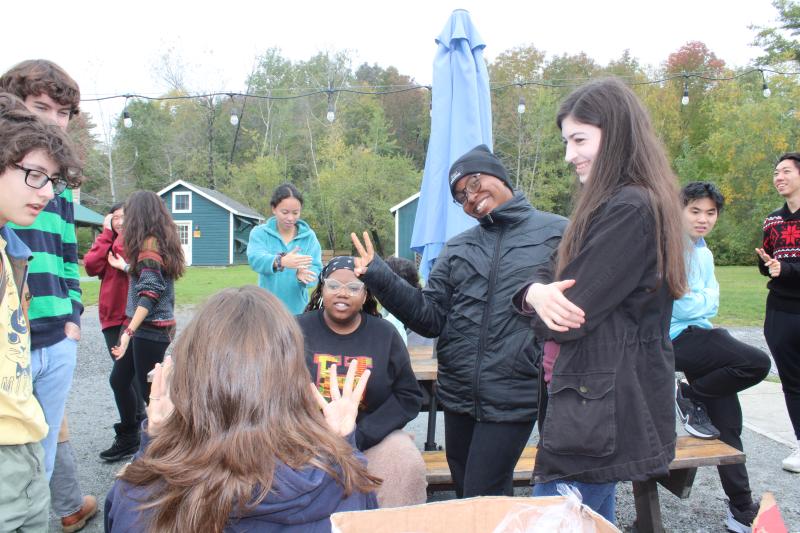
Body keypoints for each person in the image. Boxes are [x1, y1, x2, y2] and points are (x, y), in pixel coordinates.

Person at [513, 77, 687, 523]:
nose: (570, 154)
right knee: (580, 514)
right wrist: (534, 291)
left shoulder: (630, 207)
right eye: (567, 141)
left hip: (593, 403)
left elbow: (568, 315)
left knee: (565, 516)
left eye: (579, 139)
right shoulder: (609, 203)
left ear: (616, 134)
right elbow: (545, 272)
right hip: (585, 396)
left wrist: (537, 301)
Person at [350, 144, 567, 498]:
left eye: (475, 182)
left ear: (498, 174)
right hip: (458, 395)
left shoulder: (557, 234)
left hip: (514, 393)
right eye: (461, 195)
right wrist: (379, 275)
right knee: (468, 488)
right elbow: (430, 317)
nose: (471, 197)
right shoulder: (458, 247)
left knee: (484, 488)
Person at [104, 286, 379, 532]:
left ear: (189, 378)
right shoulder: (345, 490)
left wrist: (153, 444)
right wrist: (343, 448)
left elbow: (134, 506)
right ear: (293, 379)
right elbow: (350, 500)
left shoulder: (134, 495)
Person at [0, 59, 97, 531]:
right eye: (41, 107)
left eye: (63, 113)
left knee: (40, 440)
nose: (52, 120)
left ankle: (48, 509)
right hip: (18, 332)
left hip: (55, 332)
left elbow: (66, 255)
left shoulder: (56, 189)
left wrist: (74, 313)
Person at [671, 181, 770, 532]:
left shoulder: (704, 251)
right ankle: (689, 394)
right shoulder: (668, 247)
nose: (703, 219)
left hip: (700, 332)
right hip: (673, 338)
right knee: (757, 363)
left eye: (710, 213)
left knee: (728, 426)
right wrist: (702, 299)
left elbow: (708, 299)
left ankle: (741, 509)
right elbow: (679, 303)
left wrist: (700, 299)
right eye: (695, 211)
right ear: (678, 210)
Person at [299, 256, 426, 507]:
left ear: (366, 294)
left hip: (372, 436)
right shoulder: (295, 329)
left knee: (405, 464)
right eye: (334, 285)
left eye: (354, 287)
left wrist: (362, 435)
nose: (342, 293)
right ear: (322, 288)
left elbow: (408, 396)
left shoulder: (385, 334)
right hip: (305, 435)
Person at [109, 191, 184, 410]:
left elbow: (151, 291)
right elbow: (149, 274)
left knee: (150, 392)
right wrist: (123, 267)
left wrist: (128, 333)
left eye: (127, 214)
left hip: (151, 328)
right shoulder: (157, 242)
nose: (124, 220)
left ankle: (162, 440)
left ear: (138, 215)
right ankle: (130, 435)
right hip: (147, 326)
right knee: (120, 380)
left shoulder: (149, 246)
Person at [83, 202, 146, 462]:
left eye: (124, 217)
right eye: (116, 217)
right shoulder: (109, 239)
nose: (120, 222)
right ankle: (139, 428)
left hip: (132, 317)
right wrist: (106, 234)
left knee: (124, 378)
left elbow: (125, 255)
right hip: (110, 317)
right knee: (127, 378)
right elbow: (90, 265)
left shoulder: (137, 239)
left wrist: (114, 231)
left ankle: (132, 432)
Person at [756, 152, 800, 474]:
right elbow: (768, 266)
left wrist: (786, 269)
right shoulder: (772, 220)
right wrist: (767, 264)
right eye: (776, 172)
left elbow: (785, 267)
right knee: (792, 381)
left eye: (785, 171)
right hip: (781, 312)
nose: (778, 177)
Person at [247, 183, 322, 314]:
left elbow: (316, 268)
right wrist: (281, 261)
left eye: (295, 213)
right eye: (285, 212)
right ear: (274, 209)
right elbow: (255, 259)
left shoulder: (309, 237)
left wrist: (304, 276)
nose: (290, 218)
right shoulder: (260, 233)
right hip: (267, 310)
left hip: (298, 311)